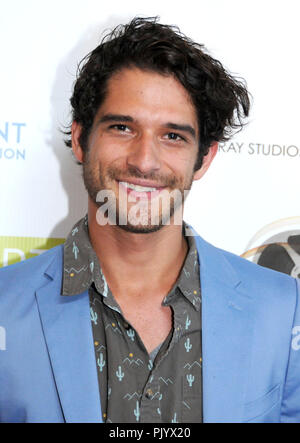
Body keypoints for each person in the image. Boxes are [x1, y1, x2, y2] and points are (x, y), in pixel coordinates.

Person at [0, 17, 299, 424]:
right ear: (80, 138)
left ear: (204, 158)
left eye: (173, 136)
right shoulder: (5, 306)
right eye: (122, 127)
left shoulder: (281, 310)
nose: (144, 160)